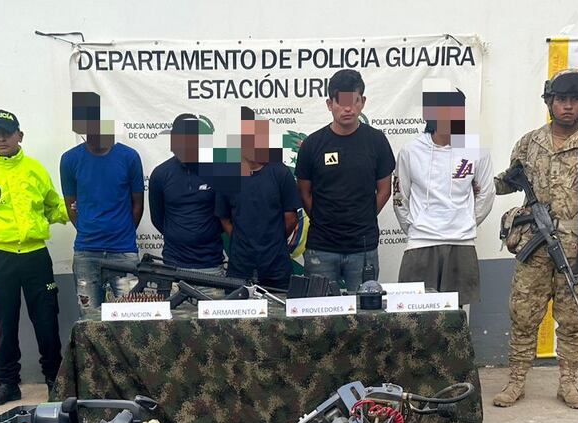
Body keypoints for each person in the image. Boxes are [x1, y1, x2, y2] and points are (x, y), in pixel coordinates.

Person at [492, 68, 578, 409]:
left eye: (575, 100)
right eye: (561, 100)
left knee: (570, 319)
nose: (568, 107)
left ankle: (568, 383)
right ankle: (516, 381)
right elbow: (508, 181)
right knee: (523, 315)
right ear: (550, 102)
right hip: (534, 245)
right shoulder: (529, 143)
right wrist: (474, 178)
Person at [0, 109, 69, 406]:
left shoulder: (35, 169)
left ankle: (54, 380)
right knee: (5, 323)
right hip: (1, 257)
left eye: (7, 133)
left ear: (19, 135)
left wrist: (73, 209)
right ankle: (8, 382)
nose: (1, 138)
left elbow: (53, 206)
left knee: (47, 321)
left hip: (35, 256)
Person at [393, 84, 494, 311]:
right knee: (415, 316)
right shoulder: (410, 151)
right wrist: (414, 227)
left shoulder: (475, 150)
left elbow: (487, 194)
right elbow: (400, 196)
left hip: (460, 243)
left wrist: (467, 221)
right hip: (421, 243)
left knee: (454, 316)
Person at [296, 69, 395, 287]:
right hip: (321, 248)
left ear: (363, 102)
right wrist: (324, 218)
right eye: (340, 102)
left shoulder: (377, 141)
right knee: (319, 316)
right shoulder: (312, 144)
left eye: (354, 101)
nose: (348, 108)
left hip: (363, 247)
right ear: (330, 104)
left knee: (364, 315)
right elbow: (304, 192)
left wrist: (364, 216)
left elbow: (385, 190)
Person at [60, 91, 145, 309]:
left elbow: (138, 205)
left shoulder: (129, 157)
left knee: (131, 320)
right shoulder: (70, 160)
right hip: (86, 253)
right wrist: (90, 229)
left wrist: (121, 231)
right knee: (89, 319)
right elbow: (71, 206)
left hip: (124, 252)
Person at [215, 108, 300, 288]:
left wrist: (271, 240)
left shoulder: (280, 172)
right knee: (238, 316)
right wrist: (242, 240)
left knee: (280, 316)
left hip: (276, 268)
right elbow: (224, 218)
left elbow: (291, 218)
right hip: (240, 268)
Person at [149, 114, 224, 284]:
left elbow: (224, 216)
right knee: (176, 312)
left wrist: (205, 235)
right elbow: (158, 219)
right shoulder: (160, 174)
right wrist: (179, 235)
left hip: (210, 265)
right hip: (173, 265)